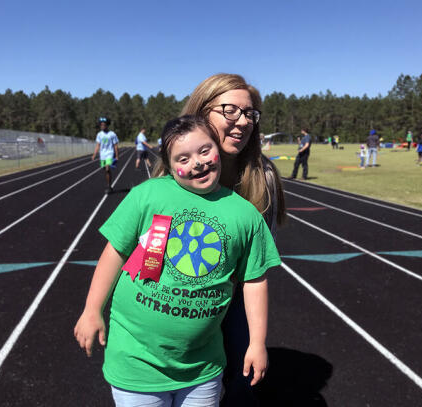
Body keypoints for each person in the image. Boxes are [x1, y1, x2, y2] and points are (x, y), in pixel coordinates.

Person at [74, 115, 281, 407]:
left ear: (217, 148)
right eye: (183, 157)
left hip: (201, 368)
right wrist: (92, 310)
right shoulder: (148, 195)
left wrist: (257, 343)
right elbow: (115, 252)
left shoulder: (245, 215)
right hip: (137, 363)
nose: (197, 162)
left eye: (204, 150)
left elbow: (254, 281)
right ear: (171, 167)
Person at [153, 73, 286, 406]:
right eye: (230, 110)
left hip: (232, 294)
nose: (242, 122)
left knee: (243, 382)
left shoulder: (262, 177)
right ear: (202, 112)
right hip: (179, 291)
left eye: (250, 114)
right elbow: (152, 244)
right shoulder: (175, 169)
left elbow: (253, 266)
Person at [92, 117, 119, 194]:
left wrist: (117, 156)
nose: (102, 126)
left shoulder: (112, 134)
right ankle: (109, 184)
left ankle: (108, 186)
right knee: (105, 170)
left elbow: (115, 145)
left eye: (104, 125)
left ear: (107, 125)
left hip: (110, 153)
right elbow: (98, 145)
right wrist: (94, 154)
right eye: (101, 125)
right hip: (102, 154)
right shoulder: (99, 134)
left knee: (107, 168)